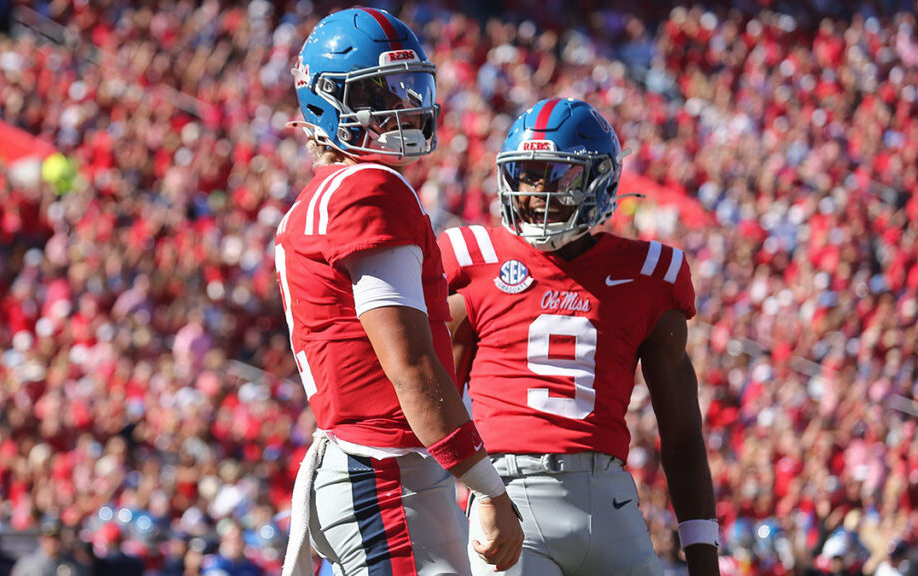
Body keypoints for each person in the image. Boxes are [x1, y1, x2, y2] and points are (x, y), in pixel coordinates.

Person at [276, 8, 522, 576]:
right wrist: (488, 489)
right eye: (378, 92)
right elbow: (409, 367)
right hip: (383, 475)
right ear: (325, 100)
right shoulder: (371, 187)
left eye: (407, 87)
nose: (401, 105)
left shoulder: (314, 201)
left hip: (364, 469)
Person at [438, 97, 720, 576]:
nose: (537, 192)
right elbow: (435, 400)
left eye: (557, 175)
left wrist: (703, 559)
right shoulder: (473, 258)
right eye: (527, 174)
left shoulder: (649, 274)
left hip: (610, 501)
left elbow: (682, 435)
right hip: (509, 495)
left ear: (601, 180)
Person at [11, 518, 86, 576]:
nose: (53, 543)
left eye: (57, 538)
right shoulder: (27, 565)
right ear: (41, 539)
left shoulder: (72, 566)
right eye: (48, 538)